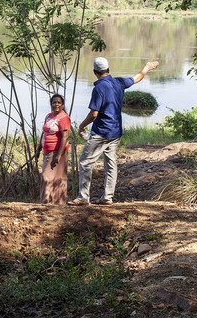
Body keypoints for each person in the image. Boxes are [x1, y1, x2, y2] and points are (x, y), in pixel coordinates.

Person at [68, 57, 159, 206]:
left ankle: (84, 197)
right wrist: (147, 67)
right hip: (116, 131)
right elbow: (137, 78)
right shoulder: (118, 82)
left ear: (94, 72)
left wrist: (81, 126)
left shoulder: (99, 88)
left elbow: (93, 114)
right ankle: (107, 197)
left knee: (85, 161)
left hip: (102, 132)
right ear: (108, 69)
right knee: (110, 163)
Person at [39, 93, 71, 204]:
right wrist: (38, 148)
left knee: (49, 177)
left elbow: (65, 137)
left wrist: (58, 156)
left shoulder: (63, 117)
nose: (56, 104)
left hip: (57, 152)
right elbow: (44, 133)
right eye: (54, 102)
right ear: (51, 104)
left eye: (59, 102)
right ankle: (53, 202)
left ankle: (48, 201)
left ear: (62, 105)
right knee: (52, 176)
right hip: (47, 152)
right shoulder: (49, 116)